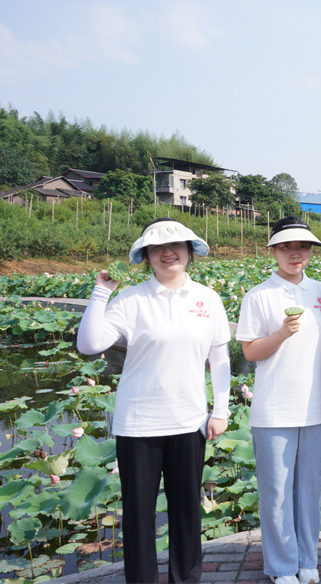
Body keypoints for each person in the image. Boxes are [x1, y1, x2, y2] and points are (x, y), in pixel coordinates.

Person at [76, 218, 231, 584]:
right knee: (138, 514)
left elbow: (219, 358)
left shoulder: (208, 299)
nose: (167, 252)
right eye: (157, 248)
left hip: (189, 421)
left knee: (186, 510)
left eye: (176, 245)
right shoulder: (131, 300)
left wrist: (221, 410)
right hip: (138, 423)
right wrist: (101, 292)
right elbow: (89, 344)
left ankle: (186, 579)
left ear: (190, 251)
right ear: (146, 256)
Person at [236, 217, 321, 584]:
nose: (295, 253)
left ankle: (307, 561)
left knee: (309, 488)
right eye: (287, 247)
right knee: (276, 491)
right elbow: (250, 351)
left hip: (316, 404)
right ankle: (281, 567)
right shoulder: (258, 295)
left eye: (303, 246)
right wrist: (281, 334)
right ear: (274, 251)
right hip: (273, 409)